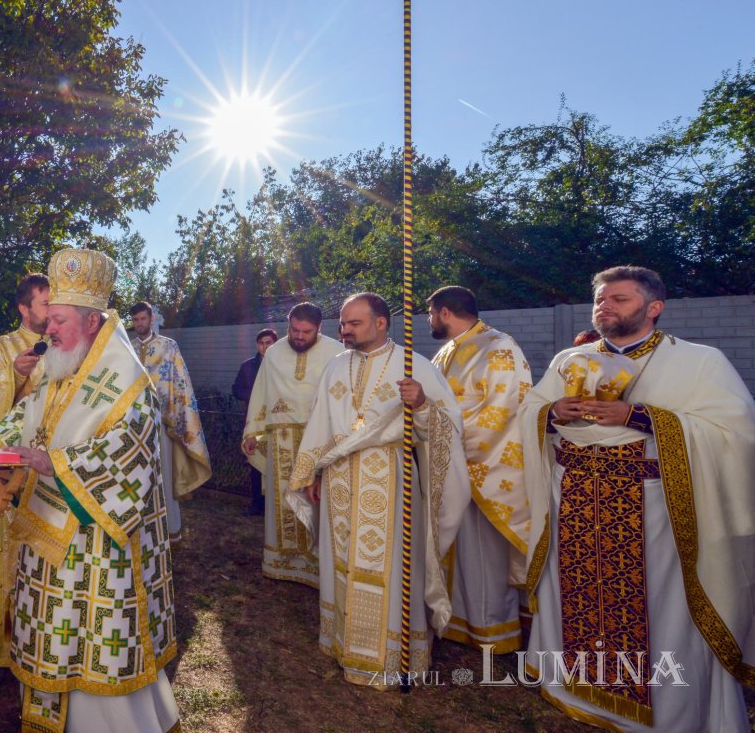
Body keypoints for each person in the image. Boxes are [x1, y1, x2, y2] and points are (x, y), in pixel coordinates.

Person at [521, 265, 755, 731]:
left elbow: (735, 433)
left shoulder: (698, 362)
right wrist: (550, 412)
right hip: (576, 506)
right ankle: (578, 688)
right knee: (579, 594)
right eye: (600, 300)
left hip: (654, 513)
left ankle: (667, 712)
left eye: (619, 299)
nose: (604, 307)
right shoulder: (570, 359)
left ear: (654, 308)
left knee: (657, 608)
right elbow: (530, 410)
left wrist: (641, 416)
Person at [0, 248, 179, 733]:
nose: (47, 330)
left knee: (96, 644)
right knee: (56, 636)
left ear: (92, 322)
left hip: (99, 546)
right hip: (49, 537)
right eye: (47, 320)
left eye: (57, 321)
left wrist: (51, 462)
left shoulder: (127, 382)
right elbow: (24, 418)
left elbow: (131, 460)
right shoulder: (59, 366)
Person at [287, 293, 470, 686]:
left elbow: (445, 430)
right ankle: (344, 644)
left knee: (388, 567)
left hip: (390, 478)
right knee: (342, 560)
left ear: (381, 323)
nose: (345, 330)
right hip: (338, 478)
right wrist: (314, 474)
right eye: (343, 324)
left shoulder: (414, 365)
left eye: (354, 324)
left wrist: (421, 404)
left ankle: (390, 657)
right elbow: (321, 421)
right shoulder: (336, 366)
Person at [426, 285, 532, 654]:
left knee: (484, 555)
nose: (429, 321)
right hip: (451, 461)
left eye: (430, 314)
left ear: (443, 312)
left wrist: (447, 443)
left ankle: (493, 632)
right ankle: (456, 622)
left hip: (485, 466)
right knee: (458, 548)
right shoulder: (446, 351)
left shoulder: (498, 345)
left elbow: (502, 409)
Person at [241, 306, 342, 586]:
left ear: (320, 328)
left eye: (306, 332)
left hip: (319, 436)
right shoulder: (273, 353)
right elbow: (261, 392)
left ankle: (317, 565)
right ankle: (282, 562)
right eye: (294, 330)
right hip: (281, 439)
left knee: (315, 501)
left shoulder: (336, 353)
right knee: (283, 498)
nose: (298, 337)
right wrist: (253, 432)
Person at [129, 300, 211, 541]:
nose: (139, 324)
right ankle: (138, 528)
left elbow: (181, 382)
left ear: (151, 319)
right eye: (135, 320)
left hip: (162, 421)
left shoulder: (169, 346)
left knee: (163, 473)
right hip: (132, 422)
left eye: (143, 319)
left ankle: (168, 528)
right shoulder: (128, 348)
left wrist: (176, 414)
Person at [0, 273, 50, 429]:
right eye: (46, 304)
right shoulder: (0, 346)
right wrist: (15, 373)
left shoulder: (65, 344)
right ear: (24, 309)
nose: (52, 311)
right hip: (16, 439)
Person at [231, 327, 278, 515]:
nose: (265, 346)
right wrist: (256, 395)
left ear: (275, 343)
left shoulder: (283, 364)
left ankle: (275, 506)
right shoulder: (248, 366)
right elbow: (236, 389)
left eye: (269, 343)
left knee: (276, 463)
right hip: (255, 421)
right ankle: (257, 505)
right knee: (256, 463)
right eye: (261, 343)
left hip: (276, 421)